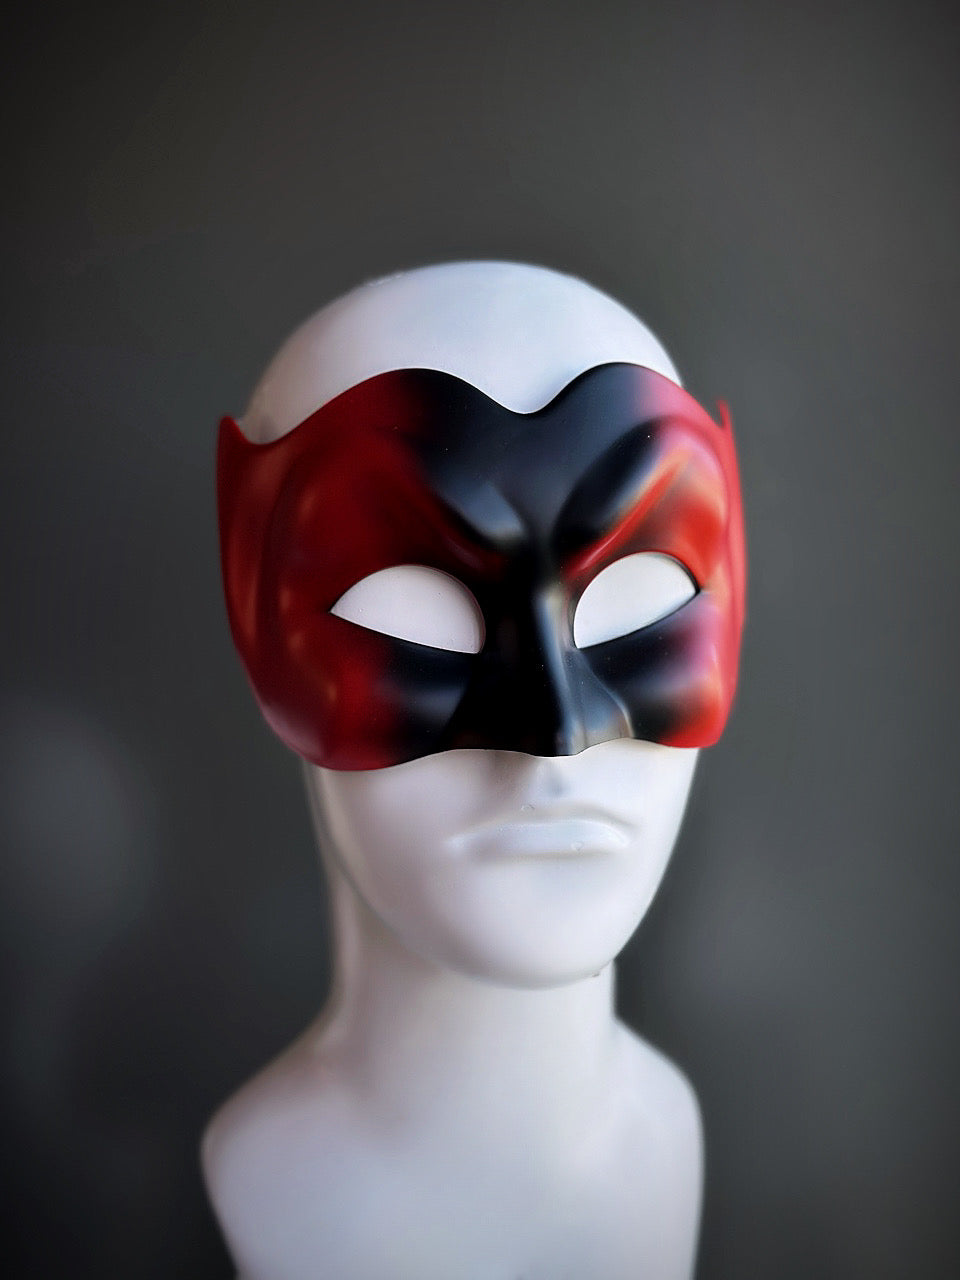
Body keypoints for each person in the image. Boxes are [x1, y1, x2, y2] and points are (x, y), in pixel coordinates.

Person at [204, 260, 745, 1280]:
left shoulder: (677, 1126)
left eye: (641, 589)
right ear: (251, 603)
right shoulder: (259, 1181)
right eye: (411, 600)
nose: (553, 733)